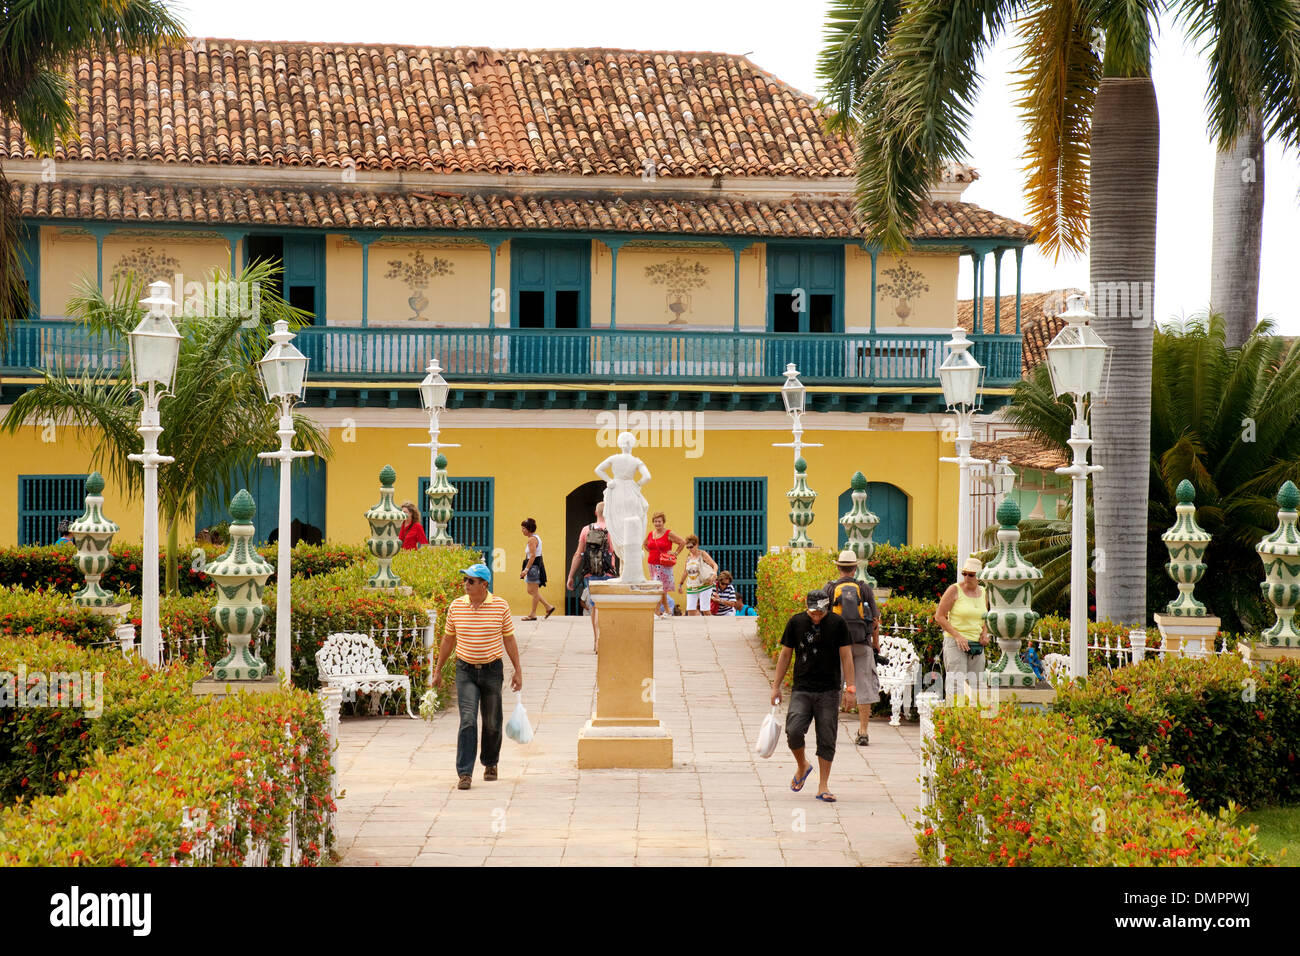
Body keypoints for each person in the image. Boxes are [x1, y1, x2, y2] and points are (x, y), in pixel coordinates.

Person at [431, 562, 523, 791]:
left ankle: (490, 763)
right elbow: (448, 640)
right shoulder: (456, 607)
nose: (466, 585)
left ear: (484, 584)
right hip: (465, 671)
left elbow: (509, 639)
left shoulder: (500, 606)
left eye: (471, 581)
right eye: (465, 580)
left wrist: (518, 669)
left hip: (492, 671)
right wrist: (438, 669)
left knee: (492, 721)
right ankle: (464, 773)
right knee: (468, 720)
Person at [770, 590, 855, 803]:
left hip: (829, 690)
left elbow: (846, 656)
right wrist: (776, 686)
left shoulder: (838, 624)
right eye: (813, 612)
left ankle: (823, 785)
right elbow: (786, 655)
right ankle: (802, 766)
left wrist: (850, 688)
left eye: (820, 613)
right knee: (794, 730)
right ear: (806, 608)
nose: (816, 616)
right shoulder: (796, 623)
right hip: (802, 688)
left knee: (827, 736)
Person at [825, 550, 881, 745]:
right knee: (864, 687)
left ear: (838, 567)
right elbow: (874, 620)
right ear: (855, 568)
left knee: (833, 688)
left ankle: (829, 731)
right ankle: (863, 731)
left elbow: (821, 617)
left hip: (836, 646)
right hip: (861, 643)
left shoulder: (830, 588)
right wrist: (875, 643)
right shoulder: (864, 588)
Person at [595, 431, 651, 577]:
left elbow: (598, 469)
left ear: (620, 444)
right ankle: (629, 569)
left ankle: (625, 569)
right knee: (633, 526)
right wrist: (637, 484)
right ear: (632, 444)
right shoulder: (636, 461)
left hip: (617, 491)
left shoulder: (614, 458)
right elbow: (647, 477)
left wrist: (609, 480)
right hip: (631, 491)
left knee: (618, 526)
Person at [934, 557, 991, 700]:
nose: (966, 577)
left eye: (971, 574)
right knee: (956, 685)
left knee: (976, 686)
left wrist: (985, 633)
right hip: (955, 643)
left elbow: (985, 618)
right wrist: (957, 635)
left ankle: (971, 720)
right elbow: (939, 616)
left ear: (979, 576)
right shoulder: (954, 590)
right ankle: (954, 719)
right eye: (964, 573)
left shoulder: (984, 592)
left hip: (976, 645)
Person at [566, 502, 617, 653]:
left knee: (595, 607)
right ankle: (604, 639)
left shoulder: (586, 529)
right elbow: (618, 551)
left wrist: (571, 575)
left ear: (596, 513)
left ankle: (596, 640)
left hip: (591, 573)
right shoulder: (612, 529)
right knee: (605, 607)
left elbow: (578, 554)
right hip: (608, 572)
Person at [644, 512, 685, 619]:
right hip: (652, 565)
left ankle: (657, 612)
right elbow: (645, 544)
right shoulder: (650, 534)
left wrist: (675, 553)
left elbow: (682, 542)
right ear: (653, 522)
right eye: (655, 521)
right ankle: (667, 610)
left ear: (663, 522)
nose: (657, 523)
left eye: (659, 521)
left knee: (660, 589)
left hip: (663, 565)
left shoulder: (668, 533)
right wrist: (652, 553)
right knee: (661, 589)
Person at [519, 517, 555, 620]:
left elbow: (533, 556)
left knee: (533, 591)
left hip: (533, 567)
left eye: (523, 528)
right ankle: (548, 607)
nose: (522, 530)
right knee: (531, 591)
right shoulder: (536, 537)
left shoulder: (531, 540)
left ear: (528, 529)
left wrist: (526, 570)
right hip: (535, 566)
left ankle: (533, 614)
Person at [676, 535, 718, 616]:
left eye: (691, 547)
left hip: (704, 585)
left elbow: (714, 565)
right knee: (690, 609)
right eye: (687, 547)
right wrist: (680, 584)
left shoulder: (702, 554)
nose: (689, 549)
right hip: (692, 585)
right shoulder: (688, 557)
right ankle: (692, 628)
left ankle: (711, 626)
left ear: (696, 545)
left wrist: (714, 574)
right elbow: (685, 572)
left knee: (705, 609)